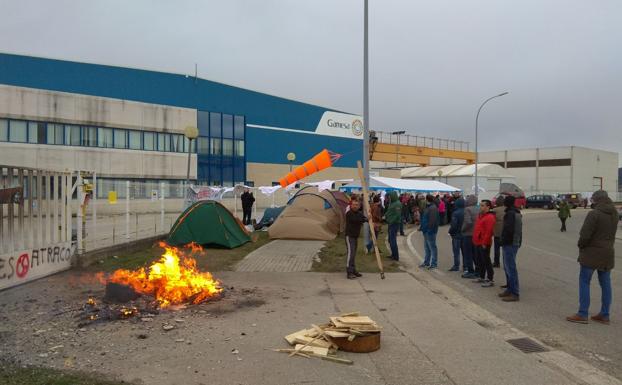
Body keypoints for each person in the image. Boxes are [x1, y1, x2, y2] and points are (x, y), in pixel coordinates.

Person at [566, 190, 617, 324]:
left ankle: (583, 313)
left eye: (593, 200)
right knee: (606, 283)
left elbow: (585, 235)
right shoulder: (614, 213)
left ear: (597, 200)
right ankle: (605, 314)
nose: (592, 202)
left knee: (584, 281)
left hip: (591, 253)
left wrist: (581, 246)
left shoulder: (594, 214)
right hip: (608, 252)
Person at [499, 195, 522, 302]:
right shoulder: (516, 212)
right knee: (508, 267)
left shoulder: (510, 214)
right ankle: (510, 288)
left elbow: (508, 230)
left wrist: (502, 240)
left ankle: (514, 292)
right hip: (514, 242)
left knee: (510, 267)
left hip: (509, 243)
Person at [473, 200, 496, 286]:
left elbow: (489, 232)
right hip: (478, 241)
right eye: (480, 205)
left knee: (486, 260)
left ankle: (490, 279)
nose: (481, 207)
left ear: (488, 207)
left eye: (483, 205)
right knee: (480, 260)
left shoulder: (490, 217)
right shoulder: (480, 216)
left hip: (484, 242)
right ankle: (481, 277)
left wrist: (484, 243)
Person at [345, 198, 368, 279]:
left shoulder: (359, 213)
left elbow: (364, 218)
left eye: (357, 205)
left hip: (355, 236)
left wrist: (368, 218)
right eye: (354, 205)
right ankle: (349, 272)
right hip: (349, 236)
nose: (355, 206)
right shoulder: (349, 213)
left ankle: (353, 270)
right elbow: (356, 220)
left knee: (353, 254)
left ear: (359, 206)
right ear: (351, 205)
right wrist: (364, 219)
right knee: (350, 254)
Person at [419, 194, 440, 269]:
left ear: (427, 200)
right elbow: (425, 218)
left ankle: (434, 263)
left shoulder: (433, 208)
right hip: (426, 230)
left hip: (430, 231)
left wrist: (429, 230)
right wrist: (422, 227)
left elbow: (432, 221)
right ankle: (427, 262)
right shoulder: (428, 207)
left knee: (432, 247)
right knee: (427, 247)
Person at [460, 195, 478, 278]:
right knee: (475, 254)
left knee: (468, 254)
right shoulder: (478, 209)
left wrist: (462, 229)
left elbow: (468, 222)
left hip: (468, 234)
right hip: (476, 234)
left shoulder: (467, 209)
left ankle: (470, 271)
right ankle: (478, 271)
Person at [448, 197, 465, 272]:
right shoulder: (466, 211)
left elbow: (454, 225)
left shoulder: (455, 213)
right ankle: (466, 266)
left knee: (456, 252)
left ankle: (456, 266)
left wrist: (450, 232)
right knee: (465, 252)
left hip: (456, 235)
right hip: (465, 234)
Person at [385, 191, 402, 261]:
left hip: (394, 224)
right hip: (391, 223)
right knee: (390, 240)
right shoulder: (392, 203)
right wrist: (386, 216)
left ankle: (396, 256)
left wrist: (391, 221)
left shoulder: (397, 204)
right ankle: (393, 255)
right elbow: (389, 212)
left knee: (392, 240)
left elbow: (397, 215)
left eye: (389, 196)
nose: (388, 198)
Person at [492, 195, 505, 268]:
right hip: (505, 232)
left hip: (497, 232)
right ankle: (505, 262)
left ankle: (496, 262)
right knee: (505, 248)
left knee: (496, 249)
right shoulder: (507, 209)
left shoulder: (494, 210)